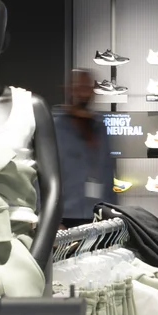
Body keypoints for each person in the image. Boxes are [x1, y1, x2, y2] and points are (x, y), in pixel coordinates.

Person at [54, 68, 115, 227]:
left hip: (98, 216)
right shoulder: (53, 127)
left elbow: (108, 174)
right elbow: (41, 178)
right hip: (64, 217)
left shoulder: (100, 127)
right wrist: (48, 220)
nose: (83, 92)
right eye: (79, 87)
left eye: (87, 87)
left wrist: (114, 214)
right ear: (68, 89)